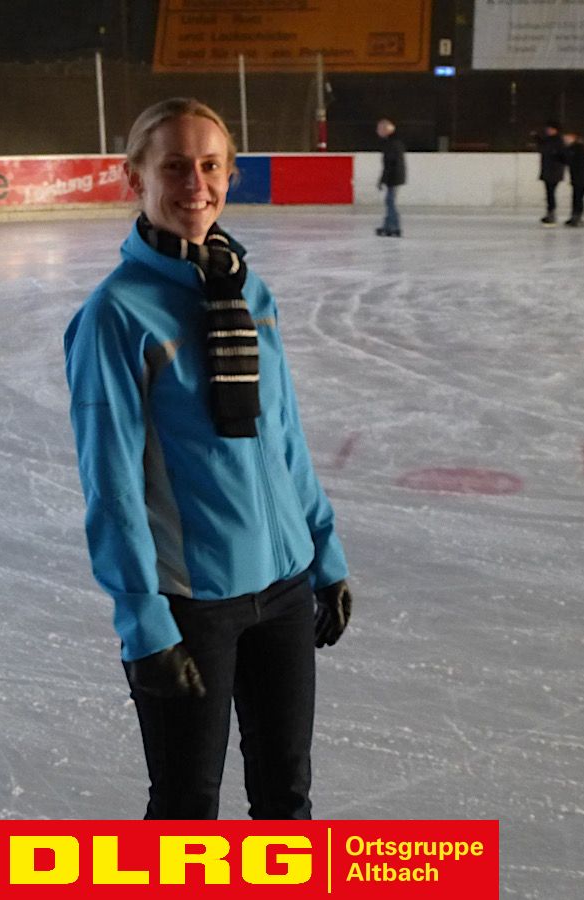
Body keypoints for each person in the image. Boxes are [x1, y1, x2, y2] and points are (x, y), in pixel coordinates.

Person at [64, 98, 353, 820]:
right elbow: (111, 484)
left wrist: (325, 552)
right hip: (191, 603)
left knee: (286, 797)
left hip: (283, 589)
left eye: (210, 165)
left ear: (229, 175)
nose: (196, 183)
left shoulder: (250, 291)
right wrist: (143, 619)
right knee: (186, 808)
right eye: (174, 167)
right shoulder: (116, 315)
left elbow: (284, 436)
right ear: (136, 178)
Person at [375, 118, 406, 237]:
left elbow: (389, 164)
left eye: (379, 129)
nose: (378, 132)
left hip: (393, 177)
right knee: (389, 201)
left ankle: (395, 227)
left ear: (385, 130)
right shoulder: (393, 141)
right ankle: (388, 226)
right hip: (395, 176)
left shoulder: (391, 143)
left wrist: (382, 180)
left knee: (390, 202)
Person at [533, 120, 566, 226]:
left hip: (554, 171)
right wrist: (537, 138)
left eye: (550, 129)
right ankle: (550, 212)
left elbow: (561, 156)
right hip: (548, 170)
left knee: (551, 193)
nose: (548, 130)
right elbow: (542, 147)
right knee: (549, 193)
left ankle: (551, 213)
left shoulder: (558, 141)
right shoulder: (549, 140)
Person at [562, 131, 584, 227]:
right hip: (577, 177)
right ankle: (575, 216)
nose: (565, 140)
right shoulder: (574, 148)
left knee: (578, 198)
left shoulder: (578, 148)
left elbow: (570, 160)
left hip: (581, 177)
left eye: (567, 138)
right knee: (576, 198)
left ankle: (578, 217)